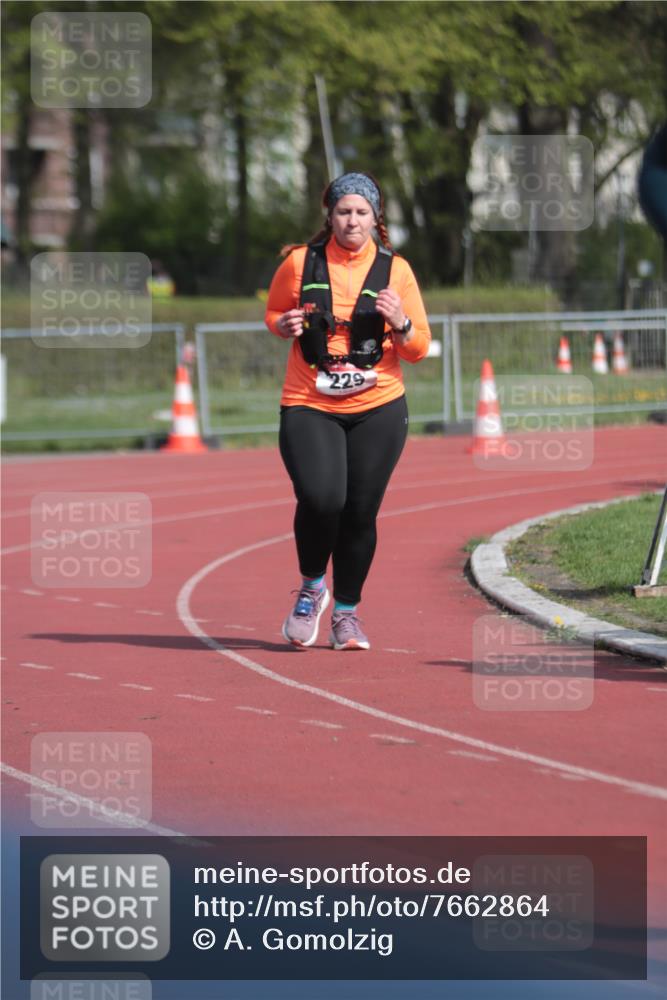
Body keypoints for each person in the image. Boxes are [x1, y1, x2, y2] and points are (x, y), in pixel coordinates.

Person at [265, 171, 431, 650]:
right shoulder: (300, 263)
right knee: (322, 499)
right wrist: (284, 324)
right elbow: (274, 313)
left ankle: (347, 614)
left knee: (360, 511)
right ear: (330, 216)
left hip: (377, 404)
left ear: (375, 218)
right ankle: (312, 586)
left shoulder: (396, 269)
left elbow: (419, 346)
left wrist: (399, 321)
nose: (351, 221)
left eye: (361, 212)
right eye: (343, 211)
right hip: (309, 400)